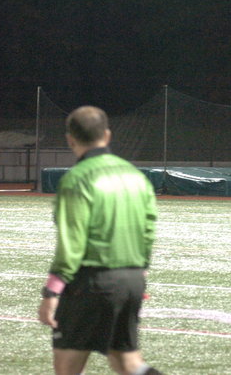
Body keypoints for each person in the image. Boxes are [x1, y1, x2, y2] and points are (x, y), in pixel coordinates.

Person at [38, 106, 162, 375]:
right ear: (107, 135)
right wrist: (138, 271)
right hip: (131, 280)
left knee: (67, 367)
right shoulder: (134, 175)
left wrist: (51, 291)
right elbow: (148, 228)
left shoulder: (76, 178)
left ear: (70, 139)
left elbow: (72, 241)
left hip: (91, 282)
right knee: (128, 363)